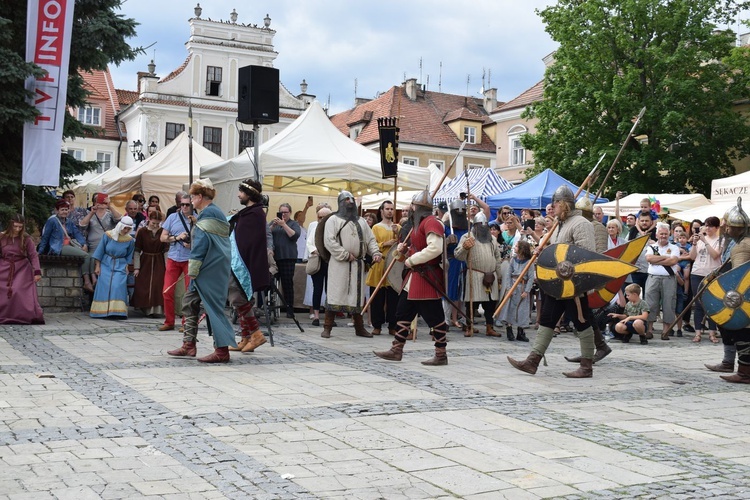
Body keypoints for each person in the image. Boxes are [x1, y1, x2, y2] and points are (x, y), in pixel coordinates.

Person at [507, 185, 597, 378]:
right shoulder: (559, 224)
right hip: (557, 284)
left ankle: (587, 366)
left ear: (563, 204)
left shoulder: (581, 224)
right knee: (547, 319)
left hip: (574, 284)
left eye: (555, 203)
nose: (552, 206)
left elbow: (586, 255)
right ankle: (533, 361)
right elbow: (556, 250)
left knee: (582, 321)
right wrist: (543, 250)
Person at [374, 190, 449, 365]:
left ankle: (441, 354)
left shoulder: (432, 222)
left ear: (418, 207)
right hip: (414, 278)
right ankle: (396, 349)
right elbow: (419, 248)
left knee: (435, 317)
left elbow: (435, 248)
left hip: (426, 278)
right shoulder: (418, 224)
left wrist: (411, 260)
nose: (410, 209)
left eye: (412, 206)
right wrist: (405, 251)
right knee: (403, 312)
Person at [168, 179, 238, 363]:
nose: (190, 200)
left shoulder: (208, 214)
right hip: (213, 266)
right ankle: (188, 345)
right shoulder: (213, 213)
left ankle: (222, 351)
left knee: (214, 308)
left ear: (200, 196)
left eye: (192, 196)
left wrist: (193, 269)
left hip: (208, 269)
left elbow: (201, 244)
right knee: (190, 301)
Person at [320, 191, 382, 338]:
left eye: (352, 199)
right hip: (339, 264)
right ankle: (327, 327)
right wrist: (345, 255)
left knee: (356, 297)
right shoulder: (333, 220)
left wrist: (375, 252)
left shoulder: (361, 221)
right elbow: (329, 241)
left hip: (357, 266)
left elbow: (370, 239)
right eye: (346, 199)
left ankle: (359, 328)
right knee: (336, 294)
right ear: (341, 202)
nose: (350, 201)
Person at [704, 198, 750, 383]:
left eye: (730, 227)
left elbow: (739, 281)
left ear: (738, 228)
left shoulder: (741, 247)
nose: (727, 229)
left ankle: (745, 372)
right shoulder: (744, 242)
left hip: (743, 301)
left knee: (743, 334)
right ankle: (733, 365)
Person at [227, 178, 270, 353]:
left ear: (249, 194)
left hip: (244, 264)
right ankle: (246, 337)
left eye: (241, 192)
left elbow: (248, 242)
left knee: (239, 298)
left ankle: (256, 335)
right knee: (240, 299)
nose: (239, 195)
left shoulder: (256, 214)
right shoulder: (248, 213)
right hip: (238, 262)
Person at [454, 212, 503, 337]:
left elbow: (497, 257)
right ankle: (469, 327)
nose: (482, 226)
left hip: (490, 275)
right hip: (475, 275)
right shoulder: (467, 237)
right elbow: (458, 256)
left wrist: (499, 276)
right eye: (480, 224)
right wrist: (465, 247)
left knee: (490, 304)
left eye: (485, 224)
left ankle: (489, 328)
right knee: (472, 303)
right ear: (475, 225)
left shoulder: (492, 239)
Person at [38, 199, 92, 290]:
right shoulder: (52, 221)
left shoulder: (69, 222)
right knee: (86, 256)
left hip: (68, 246)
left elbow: (77, 233)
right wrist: (40, 252)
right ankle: (86, 282)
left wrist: (84, 244)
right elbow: (45, 237)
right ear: (57, 210)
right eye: (62, 210)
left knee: (89, 255)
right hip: (59, 247)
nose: (64, 212)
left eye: (66, 210)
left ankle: (89, 280)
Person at [0, 214, 44, 324]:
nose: (17, 229)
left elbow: (33, 255)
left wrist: (37, 271)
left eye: (20, 227)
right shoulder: (1, 237)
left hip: (22, 268)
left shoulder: (26, 238)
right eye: (15, 226)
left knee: (17, 290)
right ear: (11, 225)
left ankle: (20, 315)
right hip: (4, 267)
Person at [158, 195, 193, 331]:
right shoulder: (172, 217)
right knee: (167, 291)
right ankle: (169, 321)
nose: (184, 207)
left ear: (192, 205)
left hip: (189, 259)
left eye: (187, 204)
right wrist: (177, 238)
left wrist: (191, 244)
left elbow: (203, 240)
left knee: (189, 292)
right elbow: (162, 238)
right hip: (173, 257)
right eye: (182, 204)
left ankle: (187, 322)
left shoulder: (196, 219)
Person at [366, 200, 401, 336]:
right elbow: (372, 244)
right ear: (382, 210)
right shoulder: (376, 227)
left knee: (393, 298)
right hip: (380, 264)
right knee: (377, 297)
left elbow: (403, 243)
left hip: (393, 265)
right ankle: (377, 325)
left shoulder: (397, 226)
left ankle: (393, 325)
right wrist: (385, 243)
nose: (390, 211)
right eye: (387, 209)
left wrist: (398, 234)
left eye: (392, 209)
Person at [90, 216, 135, 318]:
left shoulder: (130, 240)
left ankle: (117, 311)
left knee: (117, 285)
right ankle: (101, 312)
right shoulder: (108, 235)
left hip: (121, 264)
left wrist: (127, 266)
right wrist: (98, 266)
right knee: (104, 286)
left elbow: (129, 255)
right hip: (106, 263)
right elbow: (100, 250)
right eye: (125, 228)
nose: (126, 230)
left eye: (129, 229)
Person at [688, 216, 723, 343]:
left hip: (712, 273)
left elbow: (715, 255)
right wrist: (694, 243)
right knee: (698, 304)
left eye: (710, 226)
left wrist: (705, 241)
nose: (707, 228)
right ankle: (697, 333)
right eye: (706, 225)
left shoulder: (720, 240)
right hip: (697, 272)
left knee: (711, 304)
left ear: (717, 228)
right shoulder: (699, 239)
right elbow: (692, 257)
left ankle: (712, 333)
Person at [645, 222, 680, 340]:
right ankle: (649, 330)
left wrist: (656, 260)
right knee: (650, 303)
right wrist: (665, 257)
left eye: (665, 234)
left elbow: (673, 262)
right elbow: (649, 258)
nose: (663, 236)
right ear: (657, 234)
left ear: (669, 234)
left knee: (668, 303)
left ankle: (665, 331)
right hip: (653, 278)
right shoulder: (651, 247)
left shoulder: (674, 247)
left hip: (669, 279)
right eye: (661, 233)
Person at [79, 193, 121, 291]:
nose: (100, 202)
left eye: (102, 200)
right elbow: (82, 225)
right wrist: (91, 213)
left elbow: (119, 219)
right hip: (93, 246)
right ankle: (89, 281)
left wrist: (109, 206)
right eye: (97, 200)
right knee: (88, 257)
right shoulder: (90, 214)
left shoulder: (110, 214)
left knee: (96, 257)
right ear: (94, 202)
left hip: (107, 246)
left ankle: (94, 279)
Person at [496, 237, 535, 341]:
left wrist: (526, 291)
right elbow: (509, 274)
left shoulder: (529, 263)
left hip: (522, 287)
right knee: (510, 308)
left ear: (522, 248)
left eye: (517, 246)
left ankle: (520, 332)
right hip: (513, 286)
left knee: (522, 310)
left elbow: (531, 277)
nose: (515, 247)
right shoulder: (513, 259)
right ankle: (509, 330)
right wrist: (509, 288)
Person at [132, 210, 168, 317]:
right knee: (144, 284)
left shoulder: (163, 231)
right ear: (148, 220)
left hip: (159, 260)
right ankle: (146, 308)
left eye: (157, 223)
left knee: (158, 283)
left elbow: (166, 250)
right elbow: (137, 250)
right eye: (153, 223)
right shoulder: (142, 232)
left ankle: (157, 309)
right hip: (145, 261)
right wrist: (137, 267)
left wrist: (167, 266)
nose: (155, 225)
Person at [269, 203, 301, 318]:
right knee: (270, 282)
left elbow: (294, 236)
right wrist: (273, 226)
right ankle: (270, 305)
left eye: (285, 212)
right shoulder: (274, 223)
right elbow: (266, 234)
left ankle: (289, 308)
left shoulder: (294, 224)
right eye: (281, 212)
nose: (283, 214)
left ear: (290, 213)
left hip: (288, 258)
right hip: (273, 258)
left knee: (287, 283)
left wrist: (284, 225)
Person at [307, 206, 331, 326]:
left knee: (330, 290)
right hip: (318, 261)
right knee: (317, 289)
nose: (321, 219)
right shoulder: (315, 227)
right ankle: (316, 316)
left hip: (330, 262)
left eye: (323, 217)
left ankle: (329, 316)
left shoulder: (333, 228)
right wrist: (316, 251)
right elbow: (309, 243)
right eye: (319, 217)